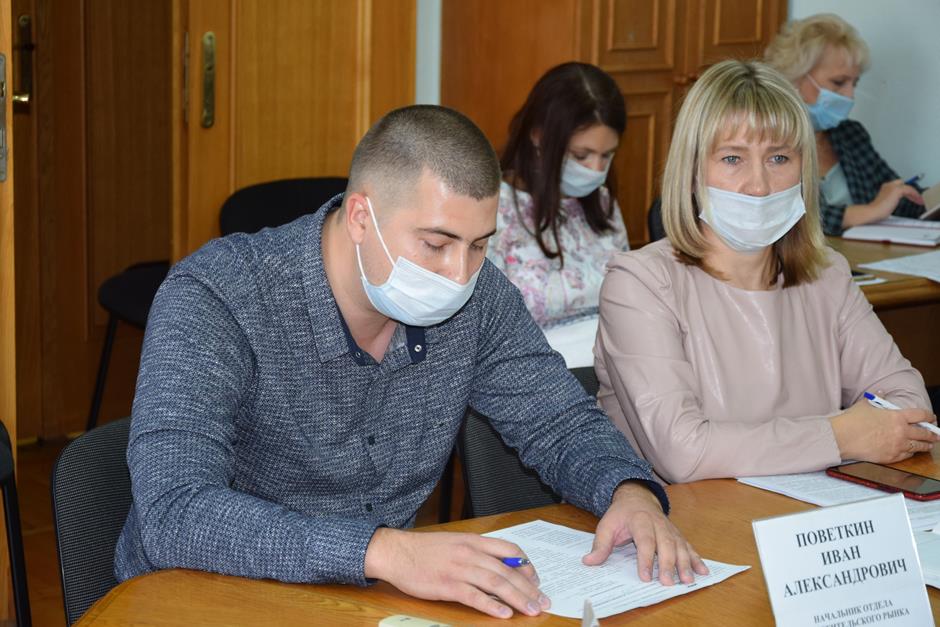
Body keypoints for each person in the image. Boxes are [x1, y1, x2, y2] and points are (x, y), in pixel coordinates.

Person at [114, 105, 708, 619]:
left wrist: (628, 489)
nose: (460, 273)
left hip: (371, 601)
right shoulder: (217, 296)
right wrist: (386, 552)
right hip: (203, 600)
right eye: (436, 244)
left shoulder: (478, 296)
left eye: (480, 245)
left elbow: (558, 420)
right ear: (360, 218)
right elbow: (175, 511)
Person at [594, 60, 937, 485]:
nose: (758, 184)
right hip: (693, 518)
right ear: (693, 172)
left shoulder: (826, 274)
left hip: (817, 511)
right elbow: (684, 453)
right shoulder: (640, 284)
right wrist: (842, 435)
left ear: (803, 170)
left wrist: (833, 437)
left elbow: (910, 406)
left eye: (778, 157)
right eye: (732, 158)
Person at [487, 62, 628, 367]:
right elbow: (486, 328)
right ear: (538, 136)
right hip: (540, 371)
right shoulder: (496, 210)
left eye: (607, 155)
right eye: (581, 155)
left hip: (616, 363)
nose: (596, 169)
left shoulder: (602, 202)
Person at [764, 13, 925, 236]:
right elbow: (780, 214)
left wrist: (922, 198)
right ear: (794, 78)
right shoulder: (764, 140)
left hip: (862, 256)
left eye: (854, 83)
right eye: (839, 82)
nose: (850, 96)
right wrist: (871, 211)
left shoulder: (851, 134)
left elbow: (897, 197)